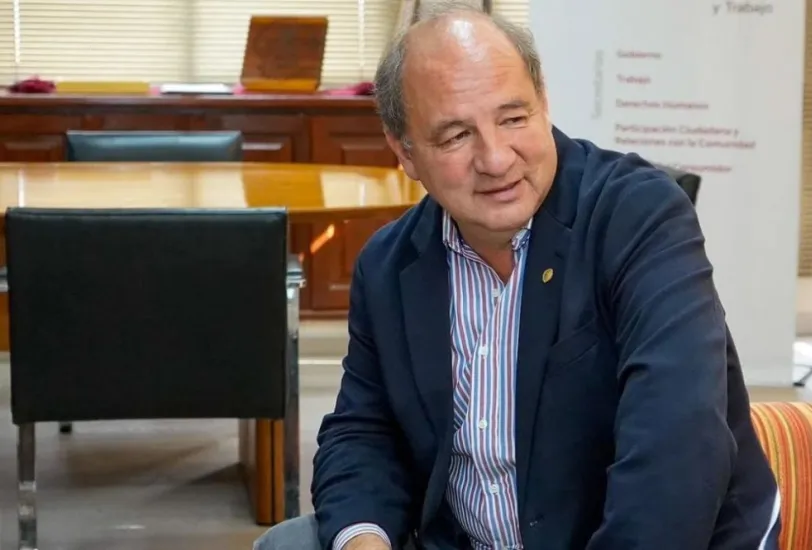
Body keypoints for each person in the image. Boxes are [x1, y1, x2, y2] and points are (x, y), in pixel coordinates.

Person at [254, 2, 781, 549]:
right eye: (456, 135)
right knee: (290, 544)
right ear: (404, 152)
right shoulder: (388, 265)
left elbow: (677, 445)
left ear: (543, 101)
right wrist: (364, 540)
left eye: (513, 118)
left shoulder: (638, 216)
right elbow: (364, 430)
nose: (496, 159)